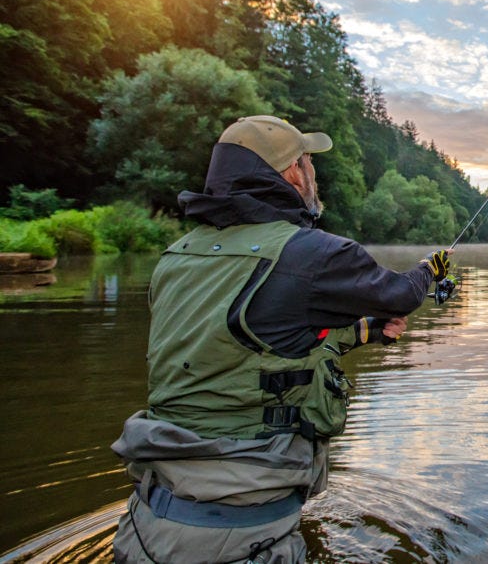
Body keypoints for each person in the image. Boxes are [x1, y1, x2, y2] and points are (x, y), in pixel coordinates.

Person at [111, 115, 452, 563]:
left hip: (143, 525)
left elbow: (250, 343)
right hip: (242, 540)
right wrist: (430, 269)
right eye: (310, 163)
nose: (314, 174)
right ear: (293, 171)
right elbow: (398, 296)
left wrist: (367, 331)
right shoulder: (315, 254)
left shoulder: (177, 257)